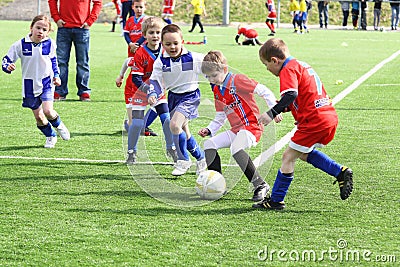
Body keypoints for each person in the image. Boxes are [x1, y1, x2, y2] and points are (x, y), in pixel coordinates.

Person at [254, 38, 353, 210]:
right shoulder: (300, 64)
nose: (267, 69)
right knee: (302, 152)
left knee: (288, 157)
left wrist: (272, 113)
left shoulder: (287, 70)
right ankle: (340, 172)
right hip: (326, 116)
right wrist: (283, 107)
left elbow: (291, 94)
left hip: (315, 120)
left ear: (274, 61)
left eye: (266, 65)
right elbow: (302, 94)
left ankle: (276, 200)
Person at [199, 50, 283, 202]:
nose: (211, 80)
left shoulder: (237, 80)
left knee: (236, 148)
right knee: (209, 144)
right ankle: (217, 185)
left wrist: (273, 110)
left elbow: (264, 90)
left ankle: (260, 185)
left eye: (214, 75)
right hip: (236, 130)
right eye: (208, 77)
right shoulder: (217, 88)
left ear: (224, 69)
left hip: (252, 127)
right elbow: (220, 115)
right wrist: (210, 129)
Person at [2, 15, 70, 148]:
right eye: (38, 28)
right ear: (31, 28)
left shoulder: (49, 44)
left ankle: (59, 126)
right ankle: (50, 135)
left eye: (44, 30)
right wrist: (7, 66)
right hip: (29, 85)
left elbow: (54, 61)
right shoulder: (20, 44)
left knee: (48, 111)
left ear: (48, 32)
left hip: (46, 82)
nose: (40, 31)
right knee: (39, 117)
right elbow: (6, 60)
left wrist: (56, 75)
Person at [116, 17, 176, 164]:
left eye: (158, 32)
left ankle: (171, 148)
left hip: (157, 90)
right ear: (144, 35)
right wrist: (149, 92)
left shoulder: (166, 51)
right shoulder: (140, 53)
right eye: (151, 32)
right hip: (138, 91)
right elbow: (137, 79)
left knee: (166, 120)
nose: (155, 36)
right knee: (136, 124)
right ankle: (131, 153)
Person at [148, 24, 206, 176]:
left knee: (173, 125)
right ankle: (201, 158)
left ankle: (183, 160)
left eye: (175, 43)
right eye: (168, 44)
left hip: (190, 97)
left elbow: (212, 67)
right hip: (173, 97)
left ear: (182, 41)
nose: (172, 47)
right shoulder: (161, 62)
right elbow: (154, 81)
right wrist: (152, 93)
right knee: (184, 133)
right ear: (162, 44)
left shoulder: (194, 58)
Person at [48, 0, 102, 102]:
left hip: (82, 29)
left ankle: (84, 91)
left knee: (82, 62)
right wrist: (56, 18)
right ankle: (60, 91)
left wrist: (89, 21)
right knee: (61, 62)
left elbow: (98, 3)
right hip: (64, 28)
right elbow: (52, 1)